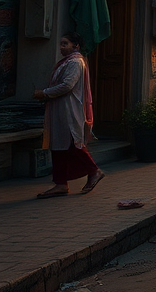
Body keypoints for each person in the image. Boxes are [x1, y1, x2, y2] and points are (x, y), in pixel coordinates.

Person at [33, 32, 104, 198]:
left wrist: (44, 93)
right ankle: (60, 184)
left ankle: (94, 170)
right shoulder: (66, 63)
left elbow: (67, 85)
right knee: (59, 146)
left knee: (72, 143)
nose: (61, 47)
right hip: (60, 110)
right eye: (61, 44)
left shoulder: (75, 62)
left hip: (69, 110)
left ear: (76, 46)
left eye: (65, 44)